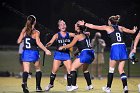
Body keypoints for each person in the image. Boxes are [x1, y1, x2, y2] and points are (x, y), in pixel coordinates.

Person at [78, 15, 137, 93]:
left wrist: (84, 23)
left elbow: (94, 26)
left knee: (111, 70)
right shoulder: (121, 28)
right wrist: (134, 30)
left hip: (115, 47)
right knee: (121, 70)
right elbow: (132, 31)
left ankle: (108, 88)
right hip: (123, 47)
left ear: (110, 22)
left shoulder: (108, 27)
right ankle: (125, 87)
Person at [17, 15, 51, 93]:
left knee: (26, 70)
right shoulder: (36, 32)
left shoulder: (24, 30)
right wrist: (46, 50)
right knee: (38, 69)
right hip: (34, 52)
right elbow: (38, 43)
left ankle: (24, 83)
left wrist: (23, 39)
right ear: (35, 22)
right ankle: (38, 87)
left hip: (25, 52)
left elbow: (19, 41)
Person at [59, 21, 94, 91]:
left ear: (78, 27)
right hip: (91, 53)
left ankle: (73, 86)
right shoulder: (85, 35)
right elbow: (81, 47)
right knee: (85, 69)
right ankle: (90, 85)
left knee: (72, 68)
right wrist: (75, 54)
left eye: (76, 24)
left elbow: (71, 45)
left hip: (85, 53)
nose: (74, 25)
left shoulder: (78, 36)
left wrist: (62, 47)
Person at [45, 19, 75, 91]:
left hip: (66, 54)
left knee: (69, 70)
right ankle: (51, 84)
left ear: (66, 26)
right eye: (61, 25)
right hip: (58, 54)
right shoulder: (56, 35)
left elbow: (79, 35)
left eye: (64, 24)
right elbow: (51, 42)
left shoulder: (69, 34)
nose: (63, 26)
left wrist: (85, 33)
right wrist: (48, 44)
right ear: (59, 27)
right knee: (54, 71)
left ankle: (69, 85)